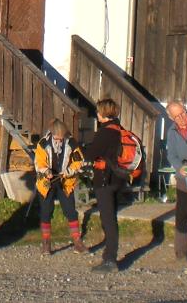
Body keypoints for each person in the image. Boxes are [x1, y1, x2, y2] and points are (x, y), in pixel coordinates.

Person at [81, 98, 126, 273]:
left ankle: (110, 259)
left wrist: (82, 149)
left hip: (105, 179)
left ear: (102, 113)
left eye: (98, 112)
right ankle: (110, 255)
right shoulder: (120, 130)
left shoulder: (104, 132)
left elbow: (90, 155)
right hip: (118, 179)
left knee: (107, 219)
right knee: (111, 217)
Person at [34, 119, 87, 255]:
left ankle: (77, 242)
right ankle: (46, 244)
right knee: (46, 212)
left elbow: (78, 160)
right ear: (51, 133)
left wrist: (69, 171)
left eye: (61, 137)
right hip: (46, 181)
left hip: (65, 181)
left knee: (71, 211)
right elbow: (39, 162)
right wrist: (46, 171)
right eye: (56, 137)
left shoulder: (72, 143)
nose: (59, 139)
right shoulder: (43, 144)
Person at [164, 100, 187, 261]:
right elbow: (171, 155)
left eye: (183, 113)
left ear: (186, 108)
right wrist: (180, 168)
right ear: (171, 118)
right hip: (183, 176)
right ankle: (181, 252)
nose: (182, 118)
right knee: (182, 214)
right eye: (177, 116)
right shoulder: (171, 131)